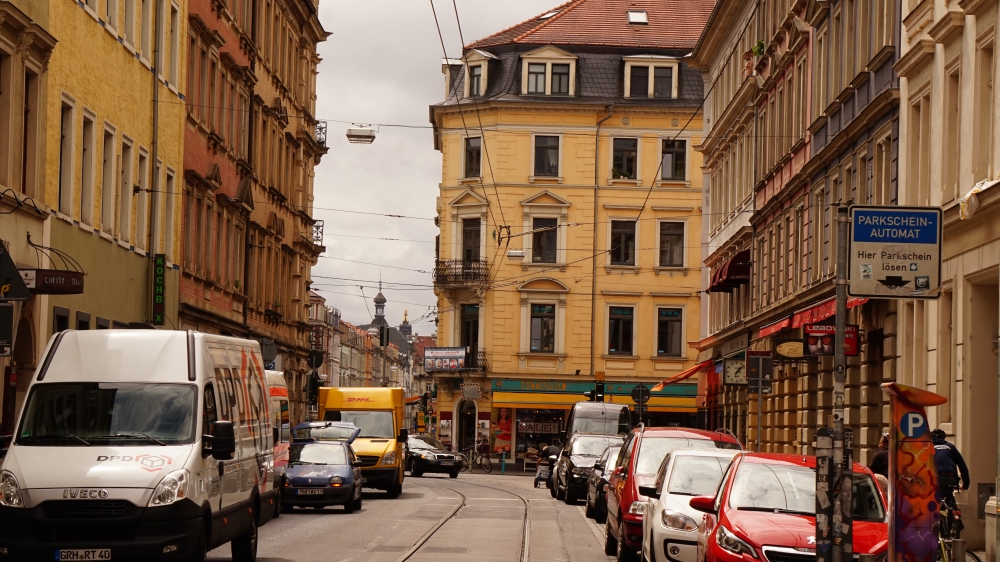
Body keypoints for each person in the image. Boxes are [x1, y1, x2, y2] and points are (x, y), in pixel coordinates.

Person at [931, 428, 970, 509]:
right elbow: (962, 466)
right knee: (949, 495)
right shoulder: (950, 446)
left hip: (935, 477)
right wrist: (965, 485)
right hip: (951, 477)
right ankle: (955, 515)